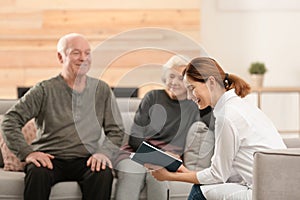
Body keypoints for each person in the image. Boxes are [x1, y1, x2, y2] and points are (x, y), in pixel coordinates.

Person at [1, 33, 125, 200]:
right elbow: (10, 120)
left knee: (102, 173)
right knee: (37, 172)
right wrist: (28, 153)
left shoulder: (102, 90)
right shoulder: (44, 89)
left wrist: (104, 153)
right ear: (61, 57)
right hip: (50, 158)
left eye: (87, 53)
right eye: (76, 53)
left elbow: (116, 130)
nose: (83, 58)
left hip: (87, 159)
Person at [147, 57, 287, 200]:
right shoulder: (240, 105)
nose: (189, 96)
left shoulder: (227, 116)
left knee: (200, 191)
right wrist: (186, 172)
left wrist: (169, 176)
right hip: (280, 188)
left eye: (192, 88)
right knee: (207, 187)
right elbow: (228, 173)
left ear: (211, 82)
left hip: (265, 193)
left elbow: (218, 175)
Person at [114, 55, 203, 200]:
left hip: (166, 162)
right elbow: (134, 140)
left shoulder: (194, 106)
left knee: (157, 178)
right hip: (136, 154)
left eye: (180, 78)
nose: (174, 82)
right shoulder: (152, 97)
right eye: (171, 76)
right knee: (132, 172)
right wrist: (162, 155)